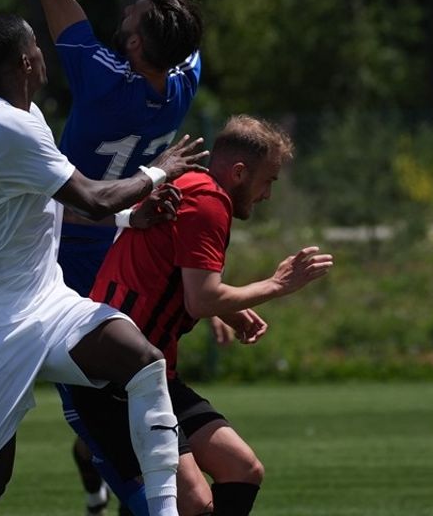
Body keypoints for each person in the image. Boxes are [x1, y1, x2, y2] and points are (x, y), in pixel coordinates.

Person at [0, 14, 208, 516]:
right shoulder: (5, 126)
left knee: (142, 360)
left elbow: (58, 203)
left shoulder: (17, 113)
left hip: (47, 302)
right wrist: (158, 171)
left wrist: (130, 218)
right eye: (37, 46)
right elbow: (92, 196)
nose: (44, 54)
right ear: (24, 61)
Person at [35, 0, 210, 516]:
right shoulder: (180, 84)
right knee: (146, 413)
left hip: (67, 259)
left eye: (135, 13)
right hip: (129, 254)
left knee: (108, 429)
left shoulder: (106, 81)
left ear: (134, 43)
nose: (130, 4)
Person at [71, 115, 335, 516]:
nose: (267, 195)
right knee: (192, 502)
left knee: (243, 469)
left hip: (148, 373)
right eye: (268, 181)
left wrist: (230, 311)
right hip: (115, 375)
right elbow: (202, 298)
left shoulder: (191, 186)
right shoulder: (210, 201)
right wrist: (277, 285)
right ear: (240, 172)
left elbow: (178, 275)